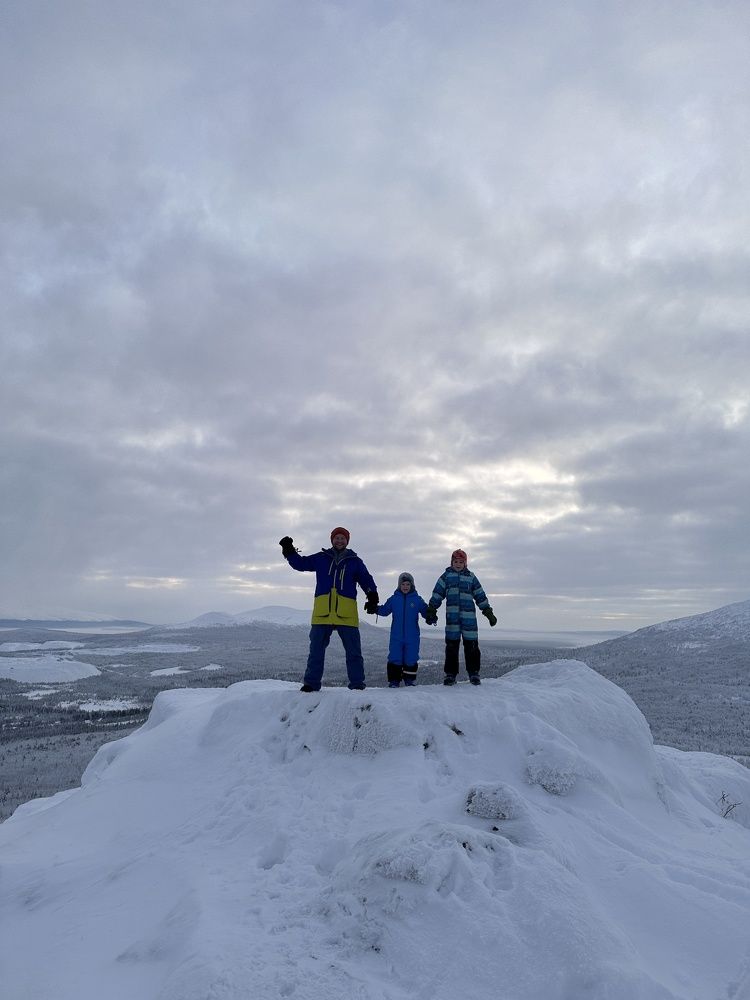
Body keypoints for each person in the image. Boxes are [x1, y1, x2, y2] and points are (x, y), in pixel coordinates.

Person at [279, 528, 378, 692]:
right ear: (332, 540)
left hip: (346, 612)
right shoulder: (321, 558)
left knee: (354, 652)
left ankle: (357, 685)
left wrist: (372, 596)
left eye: (343, 538)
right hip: (322, 612)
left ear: (347, 541)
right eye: (336, 538)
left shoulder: (355, 561)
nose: (339, 541)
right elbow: (301, 564)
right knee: (316, 651)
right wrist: (289, 551)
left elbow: (366, 579)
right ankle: (311, 684)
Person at [425, 549, 497, 685]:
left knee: (472, 647)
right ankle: (450, 674)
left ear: (465, 563)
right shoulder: (446, 577)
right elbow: (437, 594)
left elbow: (480, 595)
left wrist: (488, 612)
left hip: (469, 620)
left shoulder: (471, 577)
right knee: (451, 647)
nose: (458, 564)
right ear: (451, 562)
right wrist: (432, 610)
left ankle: (474, 673)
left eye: (461, 562)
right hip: (452, 620)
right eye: (455, 562)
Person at [370, 572, 432, 687]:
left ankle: (409, 680)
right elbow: (385, 610)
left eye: (408, 584)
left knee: (411, 657)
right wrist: (375, 609)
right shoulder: (394, 599)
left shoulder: (417, 600)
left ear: (412, 585)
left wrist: (431, 616)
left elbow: (425, 611)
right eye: (403, 584)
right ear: (399, 585)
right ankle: (394, 681)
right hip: (396, 636)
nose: (405, 587)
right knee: (395, 657)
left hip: (412, 636)